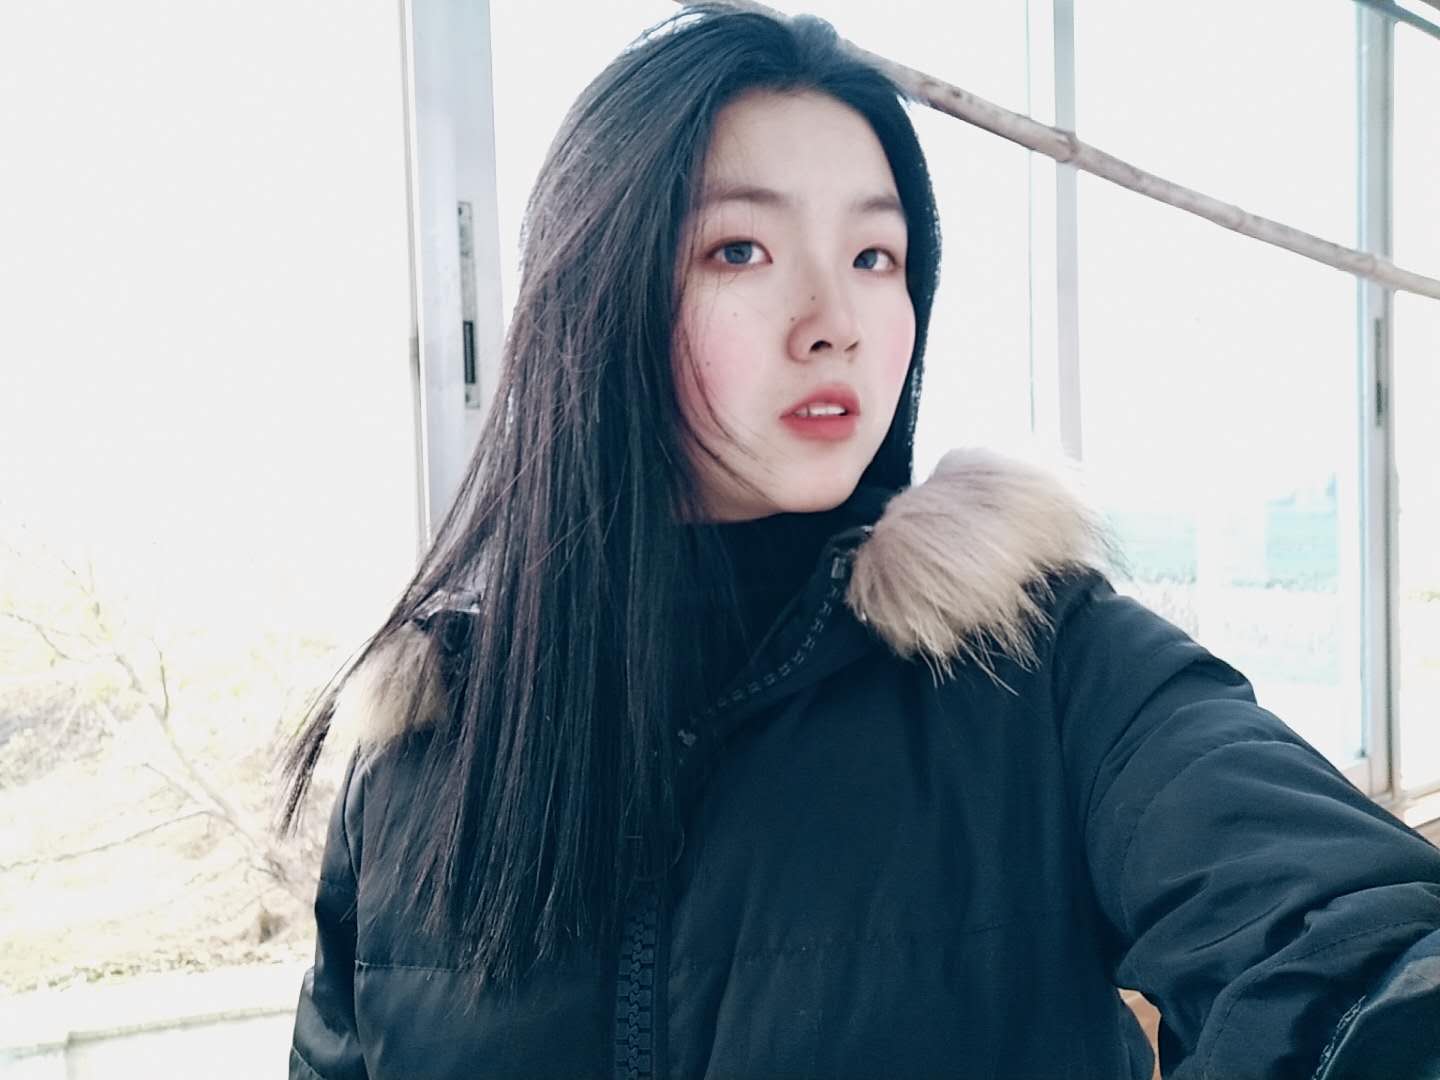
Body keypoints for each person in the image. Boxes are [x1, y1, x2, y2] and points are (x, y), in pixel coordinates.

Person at [277, 5, 1440, 1078]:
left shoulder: (1046, 666)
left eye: (875, 258)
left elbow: (1352, 951)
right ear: (596, 295)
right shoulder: (422, 753)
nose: (835, 322)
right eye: (741, 250)